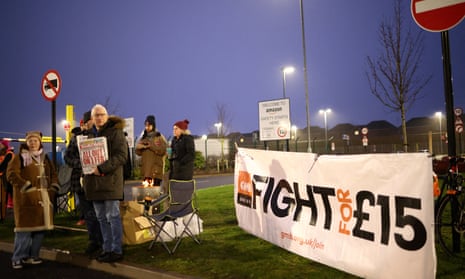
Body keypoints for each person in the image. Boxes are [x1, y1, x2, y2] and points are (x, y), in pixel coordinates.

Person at [6, 131, 60, 269]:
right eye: (30, 141)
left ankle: (33, 256)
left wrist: (53, 188)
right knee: (24, 231)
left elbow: (54, 174)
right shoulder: (19, 157)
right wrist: (26, 186)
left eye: (35, 140)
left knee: (39, 231)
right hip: (27, 199)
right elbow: (11, 174)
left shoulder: (45, 158)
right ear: (26, 142)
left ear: (40, 142)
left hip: (43, 199)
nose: (33, 143)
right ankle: (18, 257)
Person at [82, 104, 127, 263]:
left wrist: (101, 168)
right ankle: (106, 248)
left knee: (112, 216)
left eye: (102, 114)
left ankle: (116, 250)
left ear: (107, 116)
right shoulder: (88, 136)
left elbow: (122, 156)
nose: (99, 118)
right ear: (92, 119)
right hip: (94, 184)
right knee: (101, 218)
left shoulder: (115, 132)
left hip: (110, 182)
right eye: (96, 115)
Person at [64, 110, 103, 257]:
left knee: (100, 213)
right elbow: (67, 157)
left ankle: (102, 241)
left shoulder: (100, 136)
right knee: (89, 213)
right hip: (81, 181)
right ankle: (94, 241)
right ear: (87, 122)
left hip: (98, 181)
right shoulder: (76, 138)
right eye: (93, 119)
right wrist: (80, 163)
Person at [135, 115, 167, 186]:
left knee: (155, 193)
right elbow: (138, 153)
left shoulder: (159, 137)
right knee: (146, 194)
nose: (147, 127)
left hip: (155, 171)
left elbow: (162, 150)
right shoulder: (143, 137)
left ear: (153, 125)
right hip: (146, 171)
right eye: (146, 125)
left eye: (149, 125)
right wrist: (139, 147)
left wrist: (151, 146)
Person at [0, 140, 14, 221]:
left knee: (9, 197)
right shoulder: (4, 154)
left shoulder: (9, 154)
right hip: (5, 178)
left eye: (1, 144)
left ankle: (7, 217)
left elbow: (3, 166)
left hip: (9, 179)